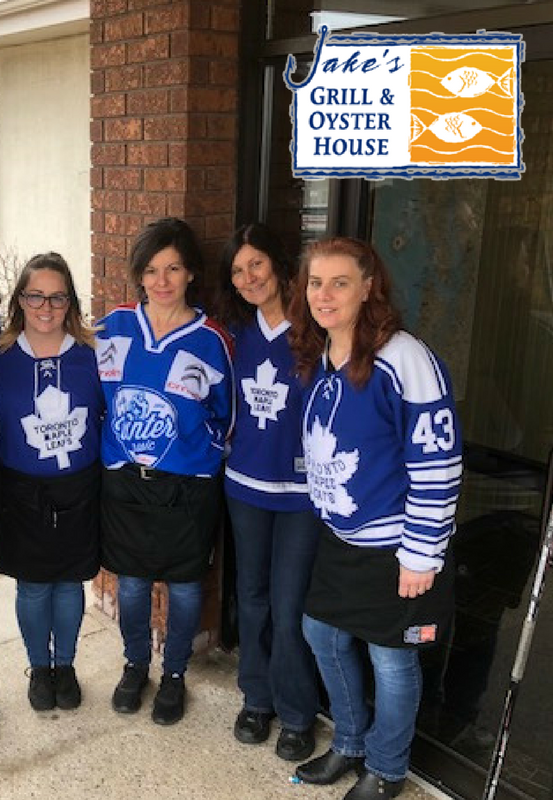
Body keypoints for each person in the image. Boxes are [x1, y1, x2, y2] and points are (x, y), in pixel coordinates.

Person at [286, 237, 462, 800]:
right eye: (316, 283)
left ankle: (387, 769)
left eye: (340, 283)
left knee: (391, 660)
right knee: (321, 633)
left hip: (398, 546)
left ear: (368, 288)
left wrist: (422, 553)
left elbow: (437, 460)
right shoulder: (322, 355)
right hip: (343, 538)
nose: (324, 294)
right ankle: (351, 742)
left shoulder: (404, 357)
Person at [97, 217, 234, 725]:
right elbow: (92, 393)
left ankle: (174, 672)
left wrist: (194, 456)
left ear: (191, 272)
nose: (162, 280)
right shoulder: (113, 328)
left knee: (185, 585)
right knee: (132, 584)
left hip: (188, 487)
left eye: (173, 268)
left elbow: (228, 415)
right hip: (126, 481)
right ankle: (136, 663)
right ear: (139, 274)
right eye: (152, 269)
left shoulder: (211, 340)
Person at [214, 223, 321, 760]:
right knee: (251, 597)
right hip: (245, 487)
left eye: (256, 263)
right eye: (237, 270)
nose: (248, 277)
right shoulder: (235, 333)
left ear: (279, 264)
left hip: (302, 494)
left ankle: (298, 712)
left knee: (289, 603)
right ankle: (256, 699)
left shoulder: (316, 329)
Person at [0, 253, 103, 711]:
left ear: (70, 301)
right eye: (36, 296)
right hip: (20, 489)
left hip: (78, 485)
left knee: (70, 583)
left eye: (57, 297)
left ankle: (66, 666)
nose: (46, 307)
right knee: (34, 586)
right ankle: (39, 668)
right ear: (20, 299)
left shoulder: (92, 355)